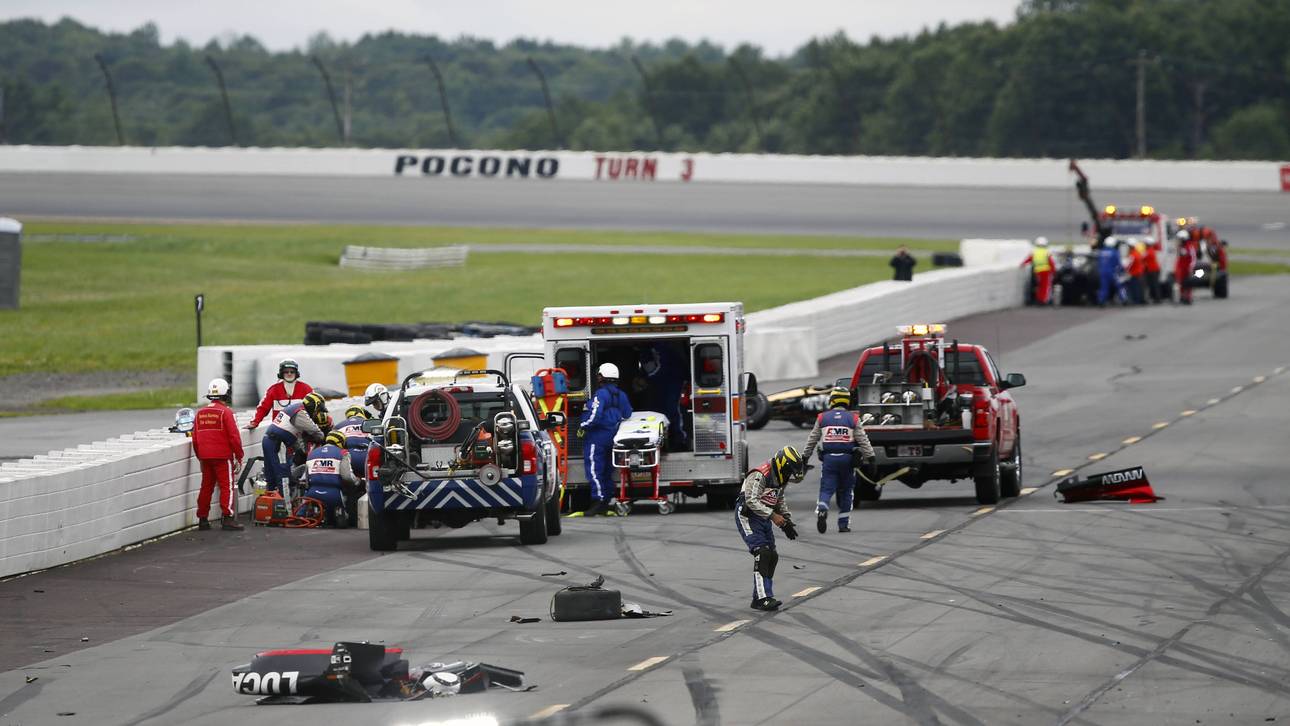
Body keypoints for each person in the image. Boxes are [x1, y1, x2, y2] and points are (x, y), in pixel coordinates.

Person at [735, 446, 805, 611]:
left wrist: (786, 520)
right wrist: (774, 517)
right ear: (782, 464)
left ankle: (761, 595)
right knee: (762, 552)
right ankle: (762, 599)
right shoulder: (759, 475)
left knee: (772, 556)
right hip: (748, 515)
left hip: (764, 516)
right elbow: (751, 501)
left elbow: (778, 498)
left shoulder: (781, 477)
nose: (789, 475)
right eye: (789, 471)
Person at [801, 387, 875, 534]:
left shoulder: (822, 418)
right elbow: (863, 440)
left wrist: (804, 457)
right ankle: (843, 524)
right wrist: (871, 458)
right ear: (847, 401)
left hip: (829, 459)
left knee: (826, 489)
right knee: (847, 491)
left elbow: (812, 440)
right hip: (847, 460)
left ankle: (822, 508)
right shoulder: (853, 418)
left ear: (832, 400)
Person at [575, 362, 633, 517]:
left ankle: (598, 501)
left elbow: (594, 416)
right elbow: (627, 413)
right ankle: (606, 499)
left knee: (594, 470)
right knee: (607, 471)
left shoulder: (600, 394)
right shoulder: (621, 395)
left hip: (596, 438)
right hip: (613, 438)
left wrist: (582, 425)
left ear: (602, 377)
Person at [191, 378, 245, 531]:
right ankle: (227, 518)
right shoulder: (226, 412)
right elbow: (234, 437)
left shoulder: (200, 413)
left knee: (206, 487)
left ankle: (202, 519)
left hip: (204, 456)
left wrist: (200, 457)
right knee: (226, 486)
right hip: (222, 456)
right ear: (226, 394)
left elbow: (195, 439)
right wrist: (239, 456)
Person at [262, 391, 327, 494]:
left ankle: (272, 499)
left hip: (270, 440)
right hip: (278, 443)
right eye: (317, 411)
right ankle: (284, 504)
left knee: (271, 475)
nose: (316, 414)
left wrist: (302, 451)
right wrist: (324, 438)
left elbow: (295, 438)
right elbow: (314, 430)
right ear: (314, 405)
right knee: (283, 474)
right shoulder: (300, 412)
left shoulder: (294, 408)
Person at [302, 430, 360, 527]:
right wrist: (358, 481)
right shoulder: (343, 453)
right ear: (341, 442)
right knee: (353, 489)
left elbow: (306, 478)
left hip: (312, 494)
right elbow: (347, 477)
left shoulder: (312, 453)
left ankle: (306, 516)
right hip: (334, 495)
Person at [637, 343, 688, 450]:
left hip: (672, 383)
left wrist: (647, 379)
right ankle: (661, 441)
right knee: (658, 412)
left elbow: (662, 368)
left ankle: (679, 441)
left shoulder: (660, 347)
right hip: (661, 385)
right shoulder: (646, 350)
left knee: (674, 411)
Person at [247, 359, 314, 430]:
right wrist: (254, 422)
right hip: (280, 430)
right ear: (281, 373)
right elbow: (263, 408)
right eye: (286, 372)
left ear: (296, 373)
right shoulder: (273, 389)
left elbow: (316, 408)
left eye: (292, 372)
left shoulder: (306, 389)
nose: (289, 374)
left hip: (300, 430)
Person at [1020, 237, 1054, 306]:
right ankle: (1042, 300)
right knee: (1044, 287)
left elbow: (1029, 259)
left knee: (1038, 286)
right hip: (1045, 271)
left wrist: (1023, 264)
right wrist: (1053, 271)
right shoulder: (1046, 252)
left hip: (1037, 271)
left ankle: (1038, 299)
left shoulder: (1034, 252)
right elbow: (1051, 262)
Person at [1095, 237, 1123, 307]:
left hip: (1102, 272)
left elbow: (1099, 262)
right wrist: (1121, 271)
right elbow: (1118, 263)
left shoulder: (1101, 252)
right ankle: (1124, 299)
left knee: (1104, 287)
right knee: (1119, 286)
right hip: (1112, 272)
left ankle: (1101, 301)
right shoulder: (1114, 252)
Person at [1174, 229, 1196, 305]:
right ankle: (1182, 297)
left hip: (1187, 269)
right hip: (1181, 269)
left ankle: (1188, 297)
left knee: (1187, 284)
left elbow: (1193, 258)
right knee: (1181, 284)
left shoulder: (1189, 247)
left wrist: (1191, 268)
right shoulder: (1180, 247)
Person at [1143, 238, 1162, 303]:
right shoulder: (1151, 250)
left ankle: (1157, 298)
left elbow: (1142, 258)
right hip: (1153, 270)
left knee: (1154, 285)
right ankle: (1156, 298)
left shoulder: (1149, 251)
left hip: (1153, 270)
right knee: (1154, 284)